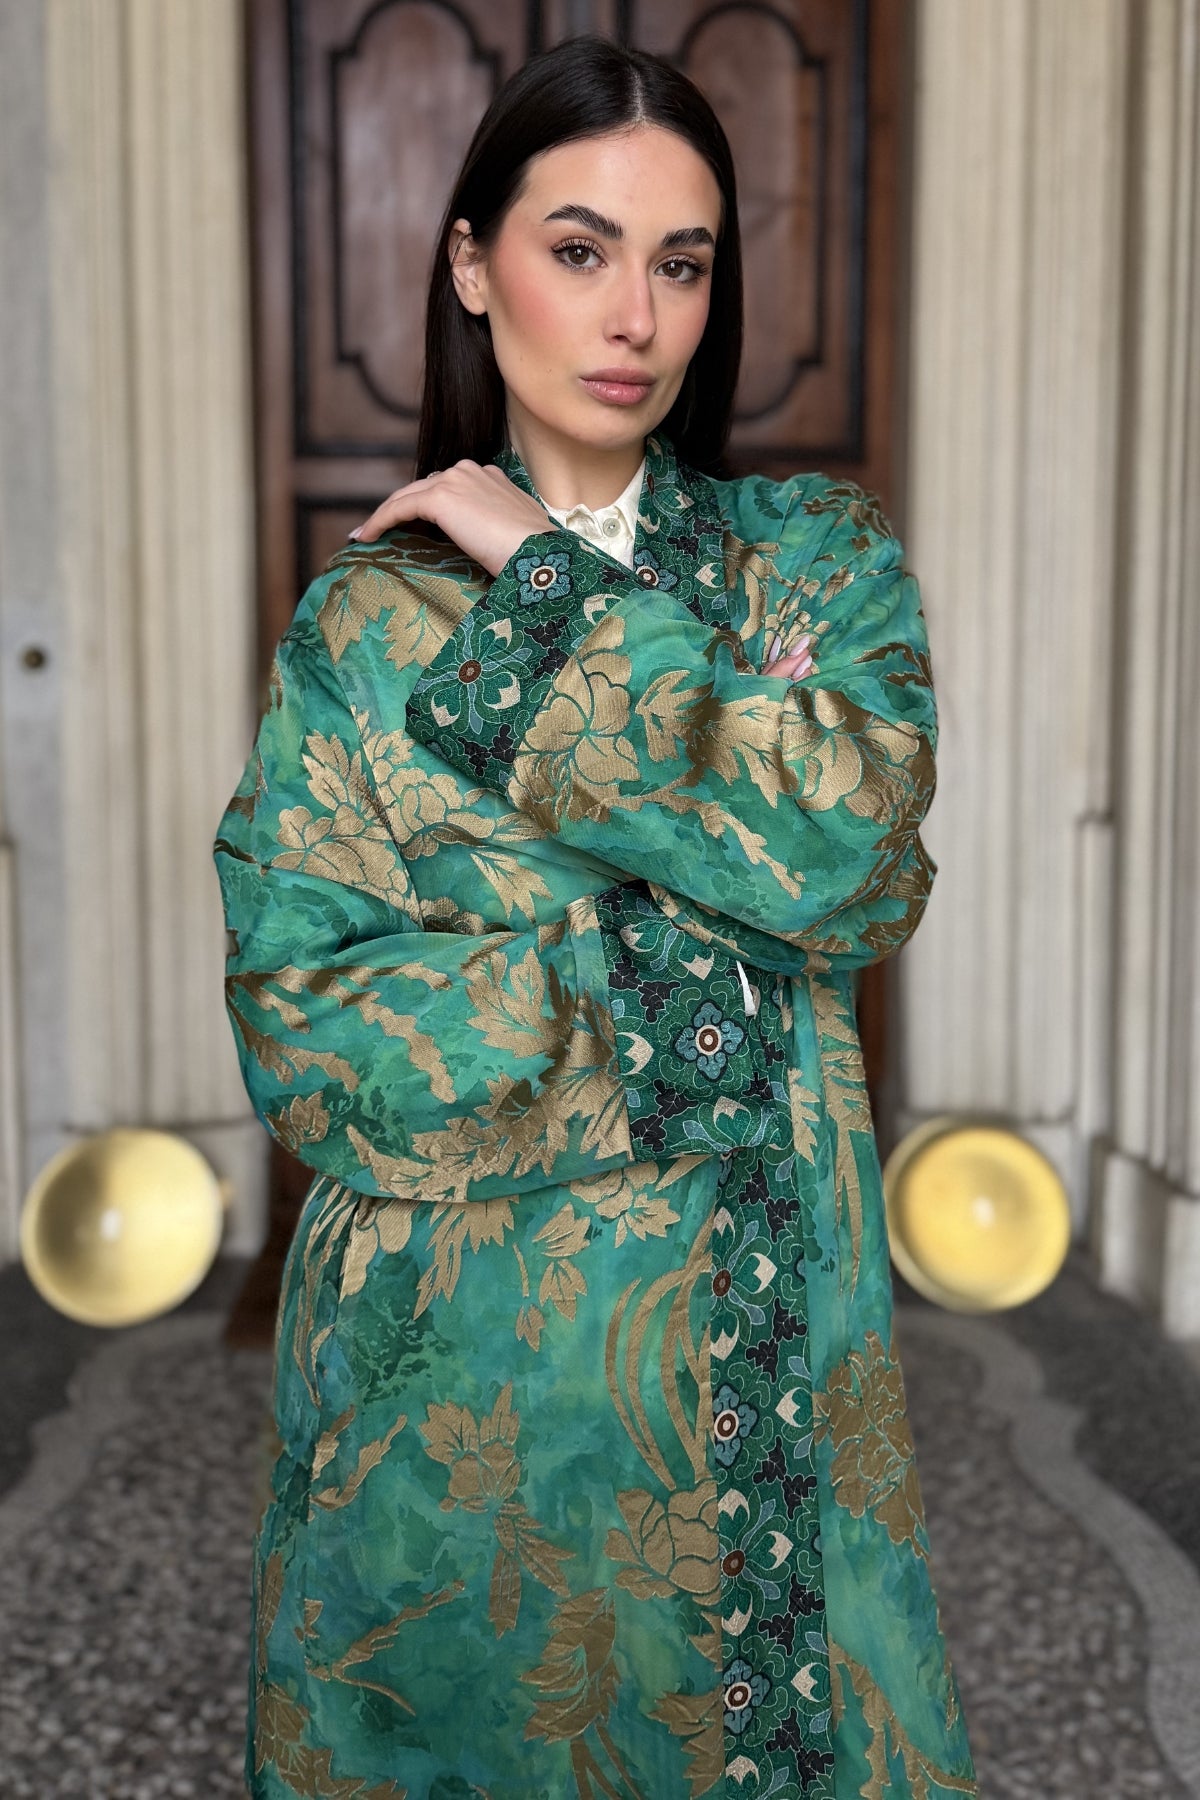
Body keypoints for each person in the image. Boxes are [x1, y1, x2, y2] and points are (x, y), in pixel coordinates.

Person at [214, 33, 977, 1800]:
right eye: (579, 249)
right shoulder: (363, 631)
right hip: (442, 1389)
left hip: (756, 1362)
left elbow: (854, 858)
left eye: (682, 262)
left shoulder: (812, 562)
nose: (636, 315)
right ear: (473, 265)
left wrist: (546, 585)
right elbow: (308, 1029)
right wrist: (698, 989)